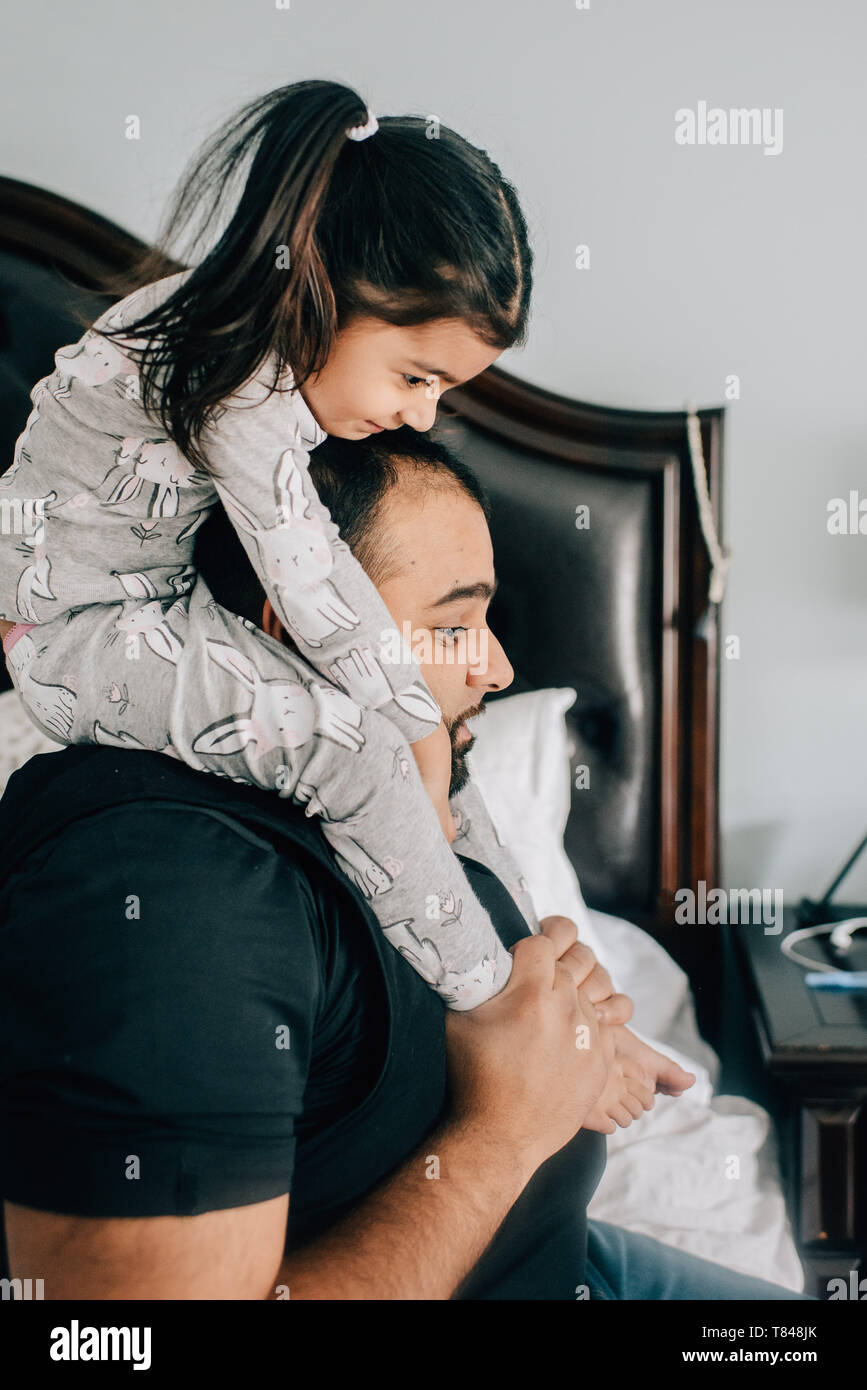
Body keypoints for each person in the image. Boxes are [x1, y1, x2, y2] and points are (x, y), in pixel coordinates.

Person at [0, 429, 813, 1299]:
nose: (496, 667)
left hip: (573, 1263)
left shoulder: (404, 788)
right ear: (300, 632)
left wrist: (571, 1027)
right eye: (453, 624)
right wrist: (505, 1132)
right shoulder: (171, 894)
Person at [0, 77, 539, 1011]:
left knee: (435, 739)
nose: (423, 413)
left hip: (149, 600)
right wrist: (409, 730)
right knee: (365, 749)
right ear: (323, 289)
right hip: (72, 634)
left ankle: (527, 955)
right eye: (416, 376)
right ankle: (489, 1002)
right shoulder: (231, 376)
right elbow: (310, 575)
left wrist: (427, 736)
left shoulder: (241, 337)